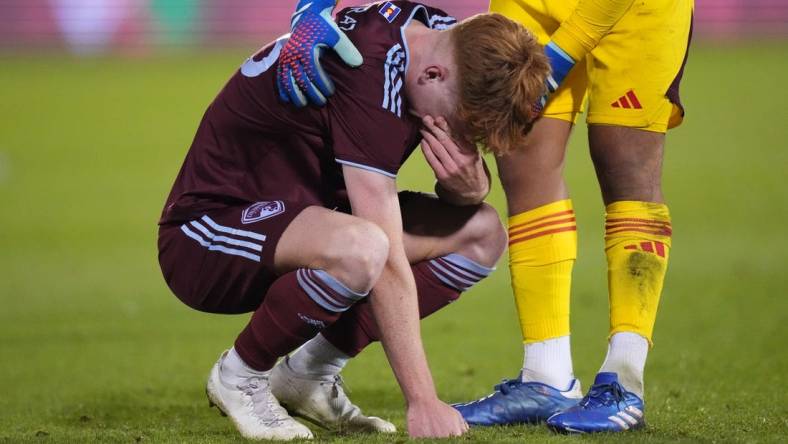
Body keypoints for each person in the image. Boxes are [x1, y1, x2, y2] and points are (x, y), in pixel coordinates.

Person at [279, 0, 693, 435]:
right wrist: (314, 6)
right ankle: (546, 375)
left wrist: (563, 53)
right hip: (530, 7)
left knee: (623, 167)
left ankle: (623, 379)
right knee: (522, 164)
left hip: (629, 10)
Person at [158, 1, 549, 440]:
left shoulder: (437, 32)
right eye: (461, 120)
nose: (456, 133)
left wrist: (469, 189)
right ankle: (240, 377)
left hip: (310, 220)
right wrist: (422, 401)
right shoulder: (371, 74)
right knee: (365, 249)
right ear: (434, 76)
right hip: (208, 233)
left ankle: (309, 373)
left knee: (481, 232)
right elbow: (383, 258)